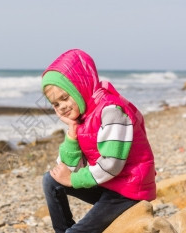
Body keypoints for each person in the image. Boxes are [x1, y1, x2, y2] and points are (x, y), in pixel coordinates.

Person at [41, 49, 156, 233]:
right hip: (108, 183)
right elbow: (64, 168)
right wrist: (71, 133)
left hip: (129, 189)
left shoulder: (111, 110)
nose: (62, 107)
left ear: (79, 87)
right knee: (51, 180)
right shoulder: (84, 115)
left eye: (65, 98)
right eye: (56, 104)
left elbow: (111, 165)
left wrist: (73, 179)